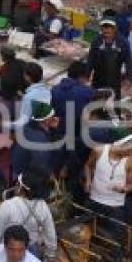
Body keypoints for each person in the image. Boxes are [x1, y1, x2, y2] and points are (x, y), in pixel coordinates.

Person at [0, 167, 57, 262]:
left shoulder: (8, 206)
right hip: (30, 254)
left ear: (21, 187)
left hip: (7, 251)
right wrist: (50, 254)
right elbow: (51, 235)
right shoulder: (44, 207)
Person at [51, 62, 97, 202]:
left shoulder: (55, 90)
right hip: (77, 138)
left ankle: (55, 196)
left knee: (57, 168)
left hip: (58, 136)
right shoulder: (87, 93)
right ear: (83, 77)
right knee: (73, 172)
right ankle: (71, 203)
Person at [84, 134, 132, 240]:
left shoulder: (131, 161)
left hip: (115, 205)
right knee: (85, 228)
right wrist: (88, 180)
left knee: (115, 236)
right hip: (94, 199)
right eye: (128, 150)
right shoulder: (98, 151)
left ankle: (114, 254)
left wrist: (123, 189)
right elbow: (88, 165)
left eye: (131, 151)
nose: (129, 153)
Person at [11, 101, 62, 181]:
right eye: (52, 115)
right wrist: (50, 175)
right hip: (28, 178)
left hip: (20, 172)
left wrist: (55, 130)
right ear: (46, 119)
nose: (54, 117)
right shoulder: (38, 137)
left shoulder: (28, 128)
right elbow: (42, 162)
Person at [88, 18, 132, 99]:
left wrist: (129, 78)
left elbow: (128, 61)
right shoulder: (96, 41)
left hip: (114, 78)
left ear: (115, 29)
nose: (106, 35)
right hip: (98, 77)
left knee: (114, 103)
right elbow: (91, 59)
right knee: (95, 102)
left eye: (108, 32)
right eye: (104, 32)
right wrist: (86, 75)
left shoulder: (123, 42)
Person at [15, 62, 50, 127]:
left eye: (24, 74)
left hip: (30, 128)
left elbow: (23, 121)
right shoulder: (47, 90)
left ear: (28, 77)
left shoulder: (29, 97)